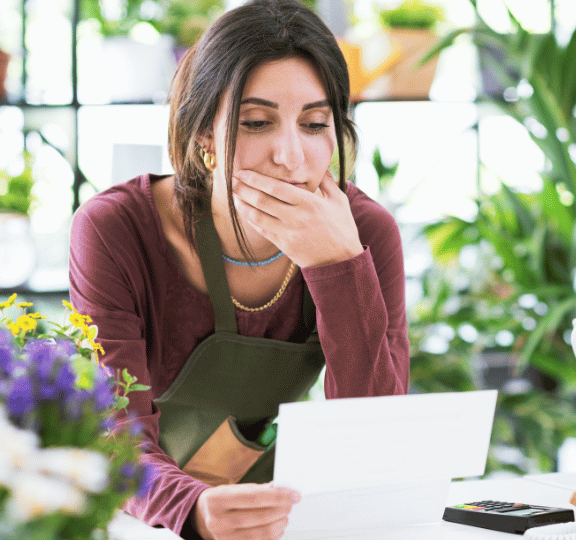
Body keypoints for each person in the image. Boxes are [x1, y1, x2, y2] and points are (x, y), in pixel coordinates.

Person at [67, 0, 410, 538]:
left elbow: (374, 441)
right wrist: (194, 510)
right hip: (139, 516)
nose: (291, 157)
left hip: (279, 513)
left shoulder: (364, 235)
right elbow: (112, 434)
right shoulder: (114, 231)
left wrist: (338, 267)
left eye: (315, 124)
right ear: (204, 137)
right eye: (256, 122)